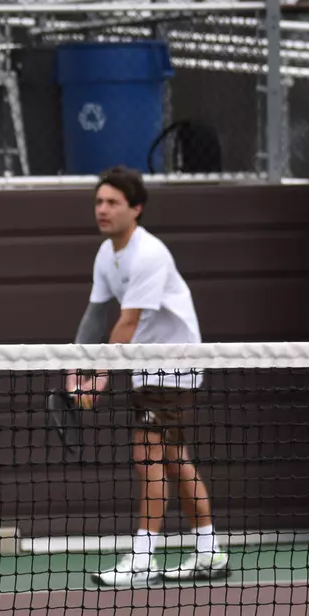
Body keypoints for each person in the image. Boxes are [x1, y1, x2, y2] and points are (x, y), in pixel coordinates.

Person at [68, 165, 231, 587]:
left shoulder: (149, 255)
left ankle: (142, 558)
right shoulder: (107, 254)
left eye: (112, 203)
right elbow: (95, 316)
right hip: (148, 365)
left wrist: (99, 375)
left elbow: (126, 321)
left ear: (135, 209)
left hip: (173, 363)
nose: (102, 209)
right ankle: (209, 552)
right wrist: (73, 367)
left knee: (147, 457)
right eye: (98, 201)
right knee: (174, 460)